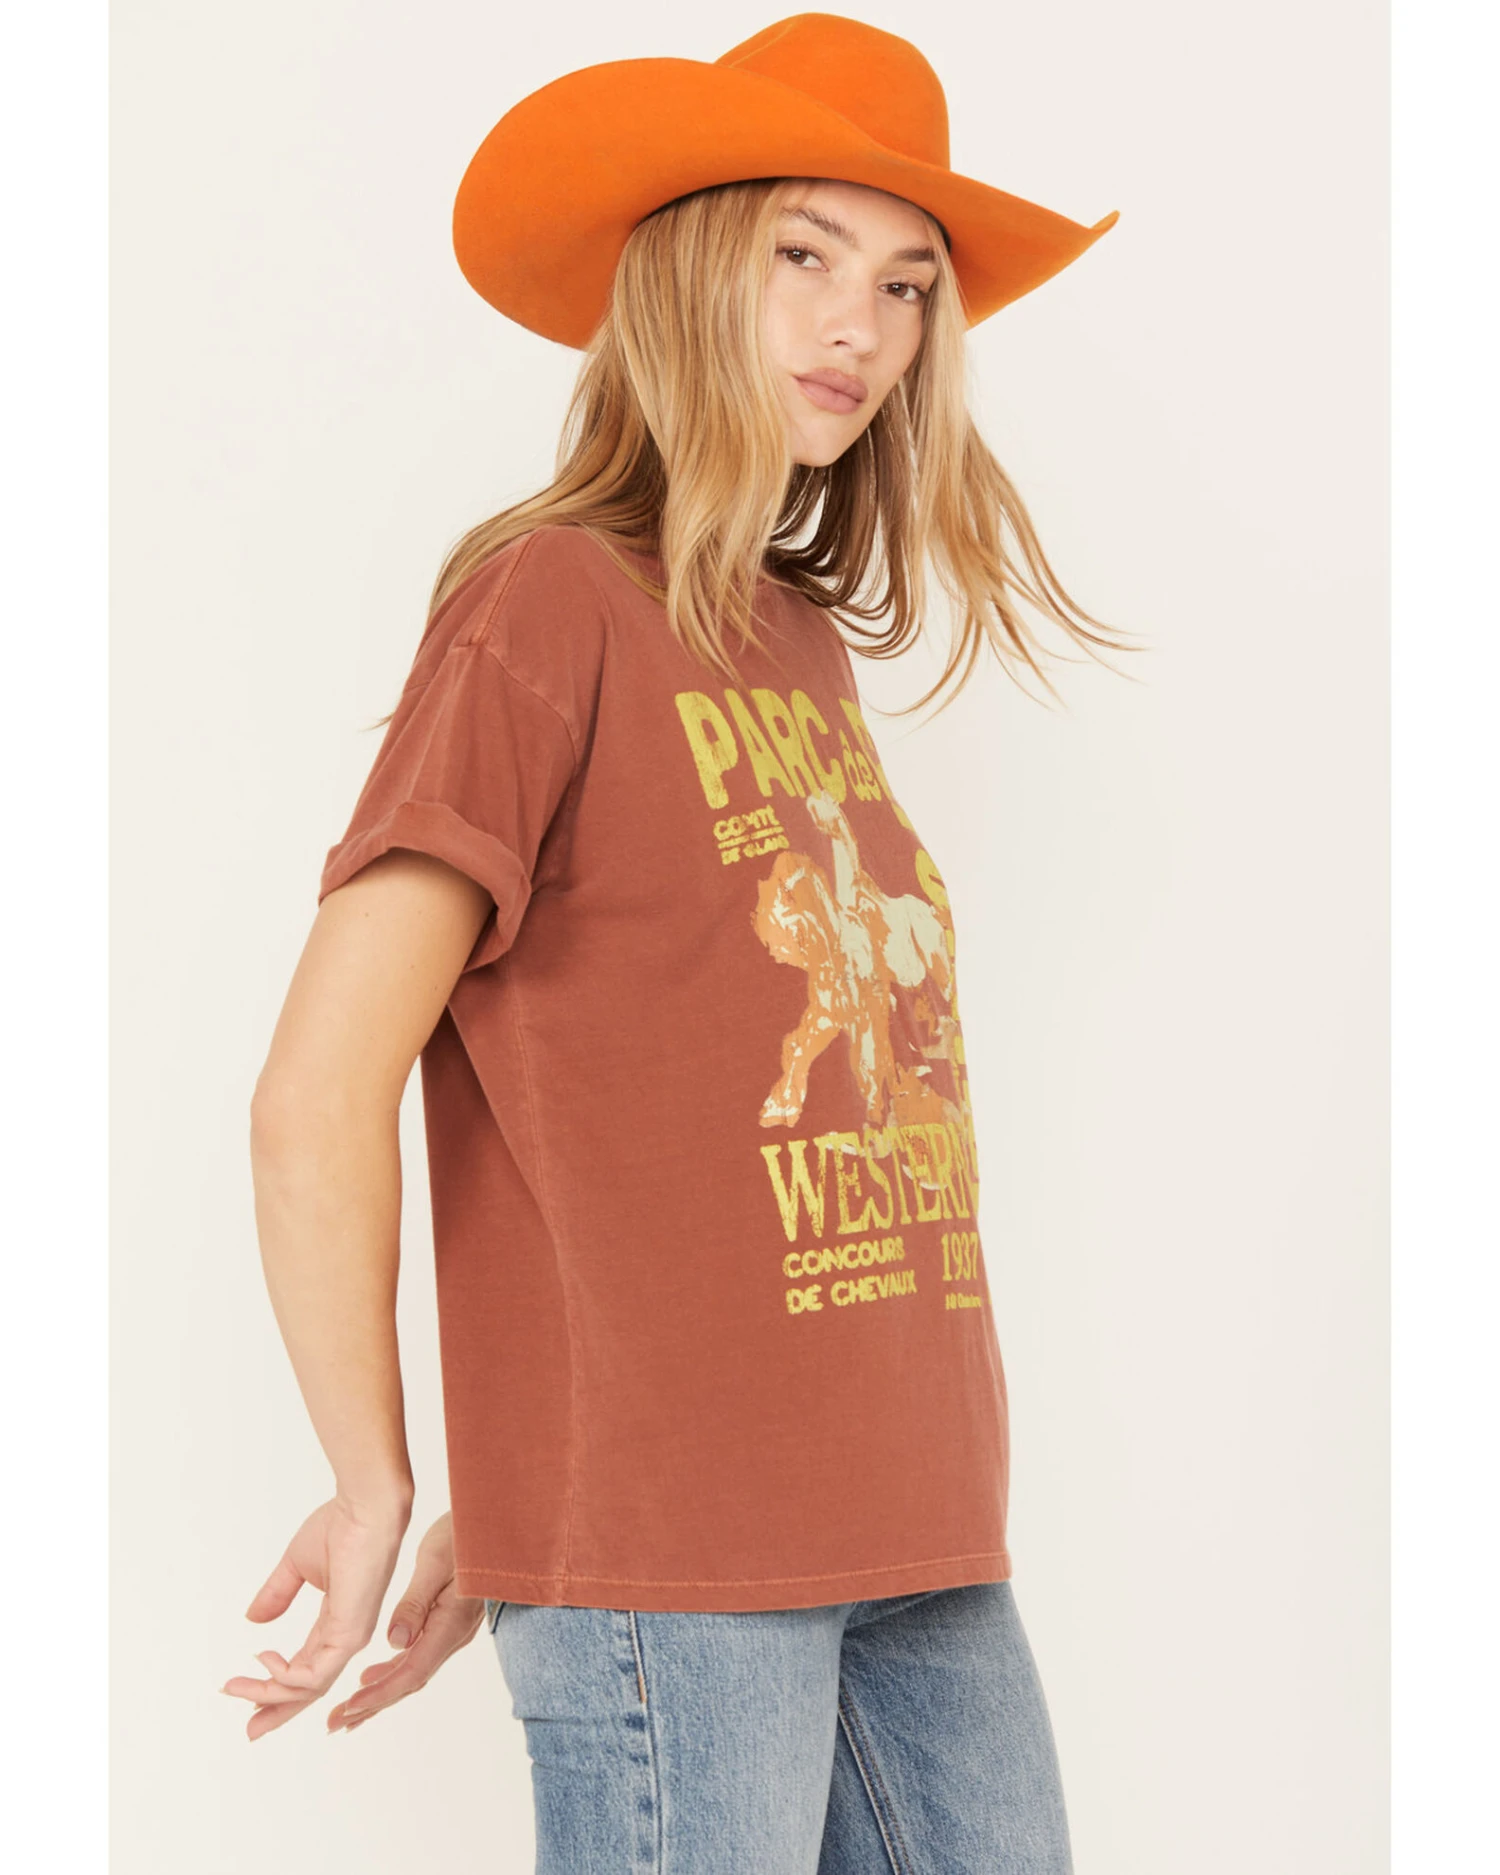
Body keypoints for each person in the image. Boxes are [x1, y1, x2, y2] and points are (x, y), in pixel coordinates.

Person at [222, 13, 1133, 1870]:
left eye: (905, 284)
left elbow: (671, 1064)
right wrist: (380, 1473)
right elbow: (318, 1085)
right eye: (804, 255)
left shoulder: (796, 637)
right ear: (688, 271)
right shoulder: (544, 600)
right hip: (684, 1567)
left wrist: (534, 1455)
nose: (859, 326)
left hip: (916, 1515)